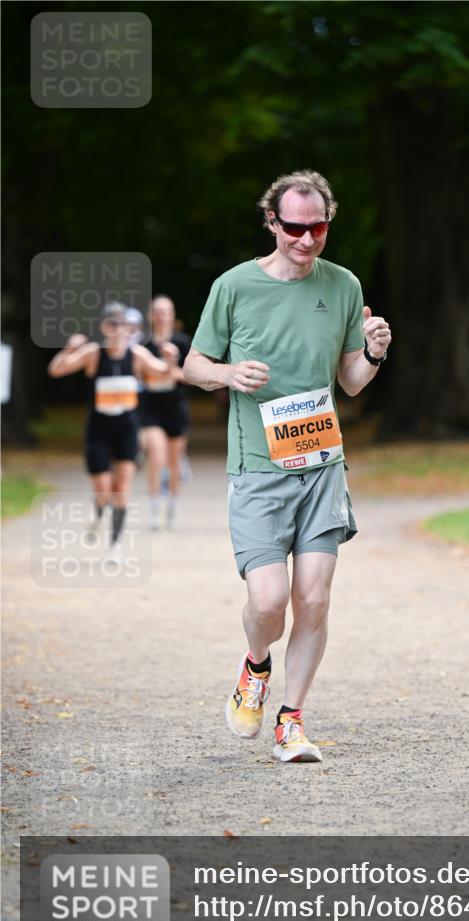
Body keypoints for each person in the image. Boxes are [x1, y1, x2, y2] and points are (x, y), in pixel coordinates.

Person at [184, 169, 391, 763]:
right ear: (272, 222)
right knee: (269, 601)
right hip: (257, 466)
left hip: (322, 463)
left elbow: (351, 381)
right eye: (294, 228)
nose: (306, 239)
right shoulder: (234, 286)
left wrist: (374, 351)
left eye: (317, 227)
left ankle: (291, 721)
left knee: (315, 600)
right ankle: (256, 667)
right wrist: (227, 373)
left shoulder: (343, 285)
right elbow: (193, 364)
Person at [48, 302, 178, 562]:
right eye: (113, 323)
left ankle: (115, 546)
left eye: (125, 325)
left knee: (121, 489)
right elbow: (56, 370)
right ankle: (98, 512)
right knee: (103, 490)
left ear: (132, 329)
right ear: (104, 327)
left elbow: (164, 373)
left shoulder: (137, 354)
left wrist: (170, 359)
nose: (119, 330)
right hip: (98, 431)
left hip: (127, 430)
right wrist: (69, 349)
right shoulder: (93, 354)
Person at [139, 296, 192, 530]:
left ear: (172, 315)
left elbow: (192, 375)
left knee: (173, 462)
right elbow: (137, 372)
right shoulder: (143, 344)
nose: (161, 316)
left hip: (175, 406)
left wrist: (170, 371)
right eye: (157, 312)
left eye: (165, 311)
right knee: (156, 457)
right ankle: (153, 508)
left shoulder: (182, 342)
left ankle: (171, 505)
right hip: (150, 407)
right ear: (151, 316)